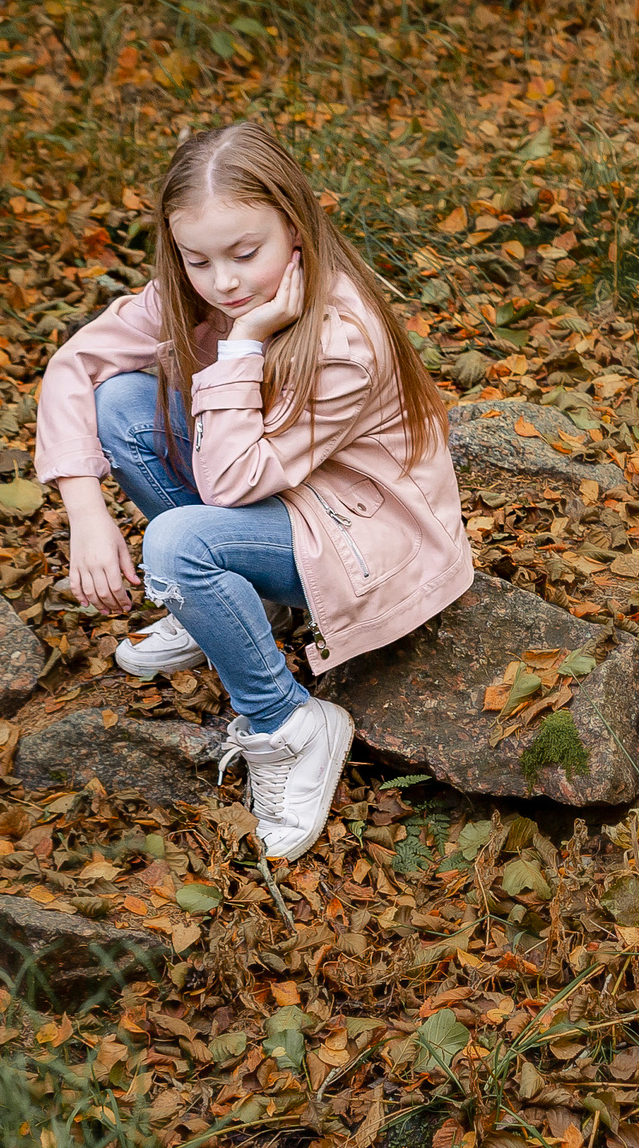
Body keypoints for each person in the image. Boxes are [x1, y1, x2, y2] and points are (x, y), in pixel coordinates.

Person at [31, 122, 472, 859]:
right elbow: (74, 366)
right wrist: (84, 512)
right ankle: (235, 603)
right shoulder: (197, 297)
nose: (225, 283)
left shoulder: (340, 340)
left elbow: (231, 484)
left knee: (176, 545)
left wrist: (242, 344)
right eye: (196, 259)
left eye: (246, 254)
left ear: (296, 227)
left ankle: (289, 723)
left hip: (365, 536)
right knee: (121, 406)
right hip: (282, 498)